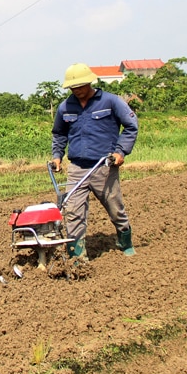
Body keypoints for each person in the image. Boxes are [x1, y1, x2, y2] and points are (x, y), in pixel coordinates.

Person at [51, 63, 139, 268]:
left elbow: (131, 126)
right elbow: (59, 133)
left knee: (114, 207)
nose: (77, 91)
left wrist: (120, 151)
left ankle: (125, 239)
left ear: (90, 82)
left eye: (80, 86)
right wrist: (57, 156)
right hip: (77, 168)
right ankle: (77, 255)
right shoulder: (65, 107)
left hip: (104, 166)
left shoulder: (111, 101)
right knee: (73, 210)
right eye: (73, 88)